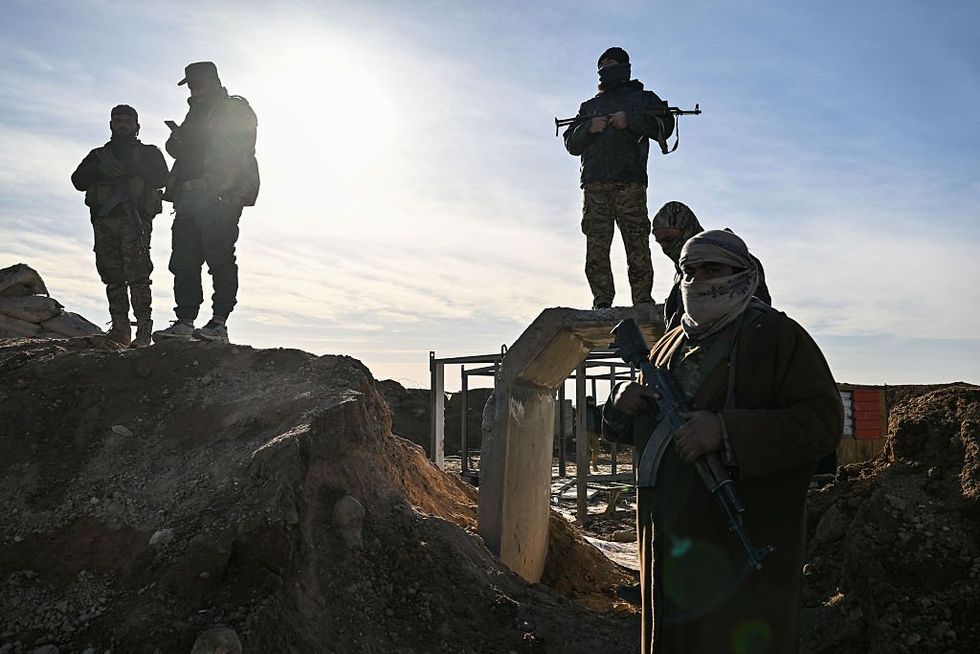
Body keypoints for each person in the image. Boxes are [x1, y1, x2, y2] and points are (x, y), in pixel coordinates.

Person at [602, 229, 843, 654]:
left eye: (713, 269)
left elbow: (822, 422)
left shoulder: (777, 337)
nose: (698, 280)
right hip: (668, 547)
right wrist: (621, 403)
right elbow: (643, 427)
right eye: (689, 271)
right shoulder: (669, 344)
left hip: (740, 542)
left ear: (743, 273)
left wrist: (727, 431)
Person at [152, 61, 259, 344]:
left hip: (219, 195)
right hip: (187, 195)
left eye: (197, 83)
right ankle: (186, 321)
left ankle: (219, 323)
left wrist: (203, 138)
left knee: (220, 257)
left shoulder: (234, 107)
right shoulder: (194, 112)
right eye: (189, 84)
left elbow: (242, 145)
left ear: (212, 81)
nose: (193, 89)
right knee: (183, 260)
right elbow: (179, 150)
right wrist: (177, 139)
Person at [563, 47, 674, 311]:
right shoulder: (590, 107)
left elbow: (666, 126)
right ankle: (601, 300)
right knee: (597, 249)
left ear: (624, 67)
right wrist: (589, 127)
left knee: (637, 243)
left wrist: (631, 120)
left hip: (630, 184)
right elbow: (570, 142)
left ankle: (642, 301)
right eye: (602, 65)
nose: (605, 69)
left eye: (611, 64)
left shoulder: (644, 99)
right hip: (594, 185)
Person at [71, 104, 169, 347]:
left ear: (137, 126)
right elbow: (77, 180)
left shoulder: (148, 153)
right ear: (111, 125)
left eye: (127, 120)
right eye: (118, 120)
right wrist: (99, 169)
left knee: (138, 275)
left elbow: (162, 178)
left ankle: (144, 331)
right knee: (111, 275)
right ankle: (120, 329)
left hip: (135, 221)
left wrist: (135, 168)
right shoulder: (98, 155)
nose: (123, 124)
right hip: (105, 222)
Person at [652, 201, 771, 331]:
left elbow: (756, 315)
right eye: (661, 242)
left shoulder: (733, 260)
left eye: (669, 240)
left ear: (687, 230)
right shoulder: (682, 275)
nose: (665, 247)